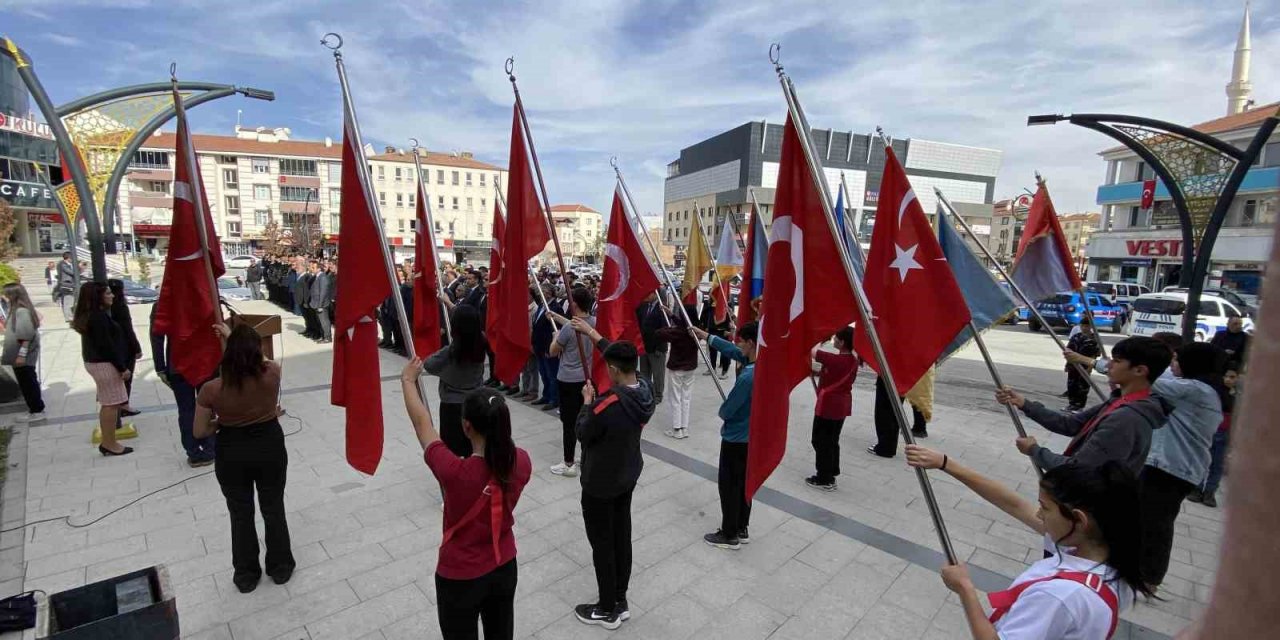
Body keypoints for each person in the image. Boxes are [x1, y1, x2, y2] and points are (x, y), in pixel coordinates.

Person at [905, 445, 1151, 639]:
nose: (1038, 514)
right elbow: (1013, 503)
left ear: (1079, 519)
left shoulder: (1060, 596)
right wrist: (947, 464)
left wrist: (965, 589)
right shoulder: (1105, 557)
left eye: (1045, 508)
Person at [400, 359, 533, 640]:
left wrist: (407, 381)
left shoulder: (454, 472)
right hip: (504, 564)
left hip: (460, 574)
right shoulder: (522, 461)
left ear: (466, 426)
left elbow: (423, 426)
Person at [566, 321, 654, 629]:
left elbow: (582, 432)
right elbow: (620, 359)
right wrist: (594, 335)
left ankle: (607, 608)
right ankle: (620, 597)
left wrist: (586, 404)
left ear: (614, 370)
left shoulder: (607, 405)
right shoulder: (645, 390)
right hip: (626, 475)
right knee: (622, 537)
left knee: (603, 543)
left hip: (601, 483)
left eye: (609, 367)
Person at [194, 323, 294, 593]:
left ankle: (247, 574)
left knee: (240, 513)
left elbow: (199, 430)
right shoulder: (272, 373)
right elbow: (261, 360)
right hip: (269, 445)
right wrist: (235, 337)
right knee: (273, 508)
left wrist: (219, 423)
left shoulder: (211, 389)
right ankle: (281, 566)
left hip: (232, 449)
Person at [997, 337, 1171, 474]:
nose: (1109, 365)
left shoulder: (1127, 418)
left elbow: (1079, 468)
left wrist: (1035, 451)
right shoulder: (1120, 401)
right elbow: (1070, 425)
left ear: (1139, 370)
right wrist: (1024, 404)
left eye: (1117, 361)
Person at [1135, 342, 1226, 587]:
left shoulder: (1195, 390)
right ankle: (1140, 570)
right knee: (1148, 519)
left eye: (1176, 359)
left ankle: (1149, 577)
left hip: (1172, 468)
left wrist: (1091, 362)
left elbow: (1147, 381)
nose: (1173, 364)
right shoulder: (1202, 389)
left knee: (1156, 524)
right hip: (1172, 467)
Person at [690, 320, 757, 550]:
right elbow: (731, 350)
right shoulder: (760, 362)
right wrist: (705, 335)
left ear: (750, 342)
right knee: (745, 484)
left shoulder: (749, 376)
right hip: (752, 437)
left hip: (737, 437)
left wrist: (722, 412)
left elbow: (729, 409)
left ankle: (729, 534)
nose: (736, 343)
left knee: (729, 486)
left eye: (740, 340)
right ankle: (741, 526)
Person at [73, 282, 133, 456]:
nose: (112, 295)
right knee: (112, 404)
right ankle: (109, 443)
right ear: (97, 297)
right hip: (104, 364)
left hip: (97, 362)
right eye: (108, 293)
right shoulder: (98, 317)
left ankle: (109, 441)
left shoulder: (92, 315)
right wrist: (122, 368)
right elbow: (107, 346)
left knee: (109, 402)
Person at [150, 304, 214, 467]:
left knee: (187, 410)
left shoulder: (164, 303)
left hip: (178, 365)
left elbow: (156, 336)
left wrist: (160, 367)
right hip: (203, 362)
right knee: (206, 407)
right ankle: (209, 447)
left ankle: (194, 452)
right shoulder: (201, 297)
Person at [425, 304, 488, 457]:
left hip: (452, 404)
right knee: (474, 444)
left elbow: (429, 365)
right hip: (475, 400)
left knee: (452, 448)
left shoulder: (451, 351)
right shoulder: (482, 342)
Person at [548, 288, 596, 477]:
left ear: (574, 303)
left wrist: (555, 337)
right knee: (586, 419)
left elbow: (553, 351)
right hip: (587, 380)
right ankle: (586, 459)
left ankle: (568, 463)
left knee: (569, 423)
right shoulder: (594, 323)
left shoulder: (569, 329)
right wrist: (557, 317)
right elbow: (574, 325)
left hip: (568, 379)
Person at [807, 326, 859, 491]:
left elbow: (812, 351)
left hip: (829, 406)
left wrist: (820, 337)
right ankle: (831, 471)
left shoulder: (835, 360)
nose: (834, 340)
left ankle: (824, 477)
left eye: (836, 338)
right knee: (832, 440)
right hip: (841, 406)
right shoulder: (852, 360)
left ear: (842, 342)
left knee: (820, 440)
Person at [1190, 366, 1237, 508]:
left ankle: (1210, 492)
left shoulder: (1239, 395)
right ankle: (1196, 488)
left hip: (1226, 434)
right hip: (1211, 431)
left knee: (1217, 465)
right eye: (1227, 376)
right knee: (1203, 460)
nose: (1228, 380)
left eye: (1233, 377)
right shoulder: (1215, 392)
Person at [654, 306, 699, 439]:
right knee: (686, 398)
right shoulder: (696, 330)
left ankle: (677, 428)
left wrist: (670, 325)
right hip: (690, 368)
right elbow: (684, 324)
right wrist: (672, 315)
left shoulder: (677, 331)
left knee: (675, 399)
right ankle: (684, 428)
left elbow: (659, 333)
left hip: (677, 368)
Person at [2, 284, 45, 421]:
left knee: (28, 382)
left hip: (22, 356)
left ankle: (36, 410)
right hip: (20, 355)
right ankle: (35, 408)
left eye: (6, 295)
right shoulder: (20, 310)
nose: (4, 298)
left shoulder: (21, 312)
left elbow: (25, 335)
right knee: (27, 381)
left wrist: (21, 355)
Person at [108, 279, 143, 419]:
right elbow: (128, 328)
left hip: (112, 347)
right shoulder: (120, 306)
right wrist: (137, 348)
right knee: (126, 377)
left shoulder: (102, 308)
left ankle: (119, 405)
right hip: (124, 347)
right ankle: (123, 405)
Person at [531, 284, 561, 410]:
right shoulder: (541, 306)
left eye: (543, 291)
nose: (540, 293)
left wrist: (551, 348)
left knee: (551, 374)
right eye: (540, 291)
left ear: (550, 293)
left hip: (548, 347)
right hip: (539, 346)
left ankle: (554, 399)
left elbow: (555, 330)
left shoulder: (555, 308)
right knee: (543, 373)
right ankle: (546, 395)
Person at [636, 291, 667, 404]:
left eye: (648, 293)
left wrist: (660, 347)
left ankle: (658, 395)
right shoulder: (643, 306)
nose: (646, 295)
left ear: (655, 294)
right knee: (644, 373)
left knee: (658, 374)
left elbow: (665, 330)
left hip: (657, 348)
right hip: (644, 347)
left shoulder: (662, 308)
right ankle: (647, 393)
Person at [1064, 317, 1102, 412]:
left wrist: (1090, 367)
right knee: (1071, 385)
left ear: (1090, 326)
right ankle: (1071, 404)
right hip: (1073, 366)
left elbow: (1095, 354)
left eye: (1086, 326)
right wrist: (1067, 364)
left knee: (1082, 386)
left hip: (1085, 366)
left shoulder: (1094, 339)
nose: (1084, 328)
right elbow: (1069, 351)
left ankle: (1079, 406)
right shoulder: (1076, 336)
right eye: (1082, 326)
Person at [699, 296, 731, 378]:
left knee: (725, 352)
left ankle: (724, 371)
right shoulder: (710, 305)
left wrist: (729, 331)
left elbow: (731, 318)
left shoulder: (727, 303)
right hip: (712, 330)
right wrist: (705, 327)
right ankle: (712, 369)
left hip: (724, 331)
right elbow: (705, 316)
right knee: (712, 351)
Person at [309, 261, 333, 343]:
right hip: (316, 303)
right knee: (320, 321)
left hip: (321, 304)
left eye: (313, 268)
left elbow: (323, 292)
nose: (311, 269)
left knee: (324, 321)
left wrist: (320, 305)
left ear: (319, 268)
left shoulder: (322, 277)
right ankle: (323, 336)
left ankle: (327, 337)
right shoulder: (317, 276)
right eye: (311, 267)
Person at [56, 252, 77, 321]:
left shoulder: (69, 264)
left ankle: (70, 316)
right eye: (72, 258)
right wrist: (78, 268)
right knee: (67, 302)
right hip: (66, 285)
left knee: (70, 301)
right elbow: (72, 273)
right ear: (68, 258)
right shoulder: (63, 265)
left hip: (71, 285)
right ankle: (68, 317)